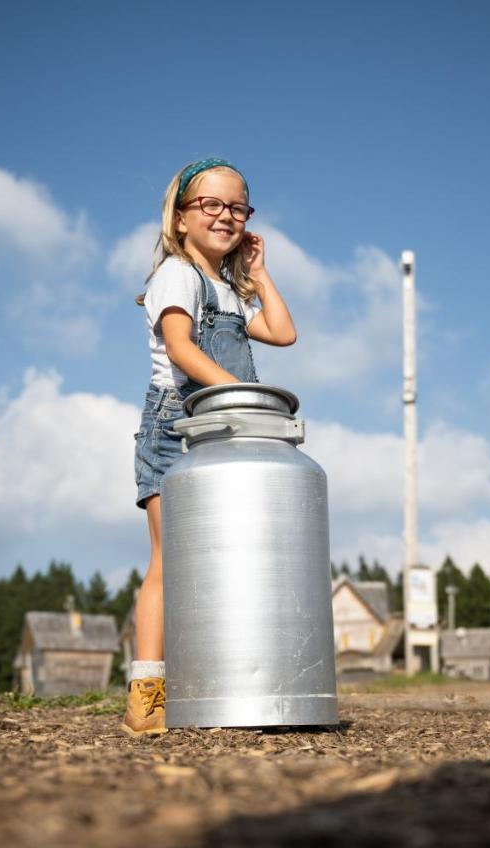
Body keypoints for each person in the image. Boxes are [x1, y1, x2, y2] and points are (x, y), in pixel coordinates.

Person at [124, 158, 297, 736]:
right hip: (177, 429)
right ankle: (148, 690)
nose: (226, 216)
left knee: (227, 560)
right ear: (180, 220)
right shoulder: (177, 275)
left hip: (224, 432)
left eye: (238, 207)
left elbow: (282, 331)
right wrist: (243, 395)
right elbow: (180, 349)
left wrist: (260, 271)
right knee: (170, 561)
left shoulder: (227, 290)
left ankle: (213, 680)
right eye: (212, 205)